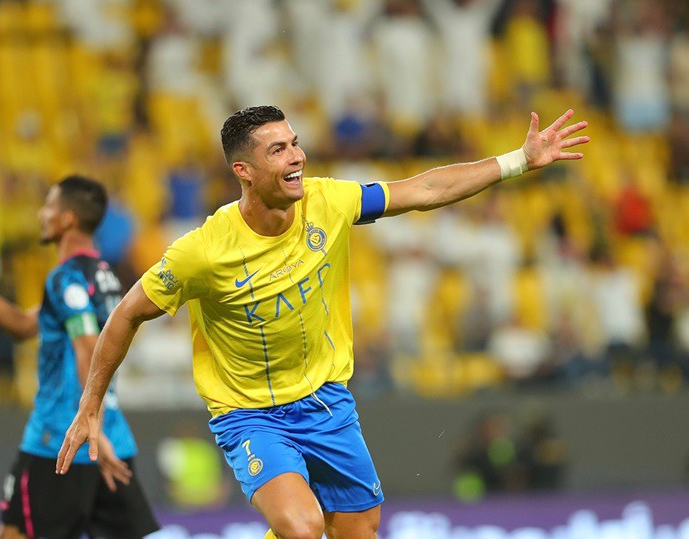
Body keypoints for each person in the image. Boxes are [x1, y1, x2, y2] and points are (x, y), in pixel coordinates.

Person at [57, 106, 589, 538]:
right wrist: (91, 403)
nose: (297, 157)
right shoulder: (202, 253)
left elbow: (423, 190)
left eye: (295, 143)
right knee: (302, 526)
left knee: (359, 531)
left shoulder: (328, 202)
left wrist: (518, 160)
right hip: (250, 414)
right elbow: (126, 314)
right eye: (278, 150)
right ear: (243, 171)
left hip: (326, 403)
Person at [0, 176, 159, 539]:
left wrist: (90, 423)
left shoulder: (65, 280)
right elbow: (23, 326)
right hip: (111, 438)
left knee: (11, 534)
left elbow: (88, 348)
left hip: (59, 442)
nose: (41, 214)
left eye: (49, 206)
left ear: (67, 219)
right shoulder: (104, 278)